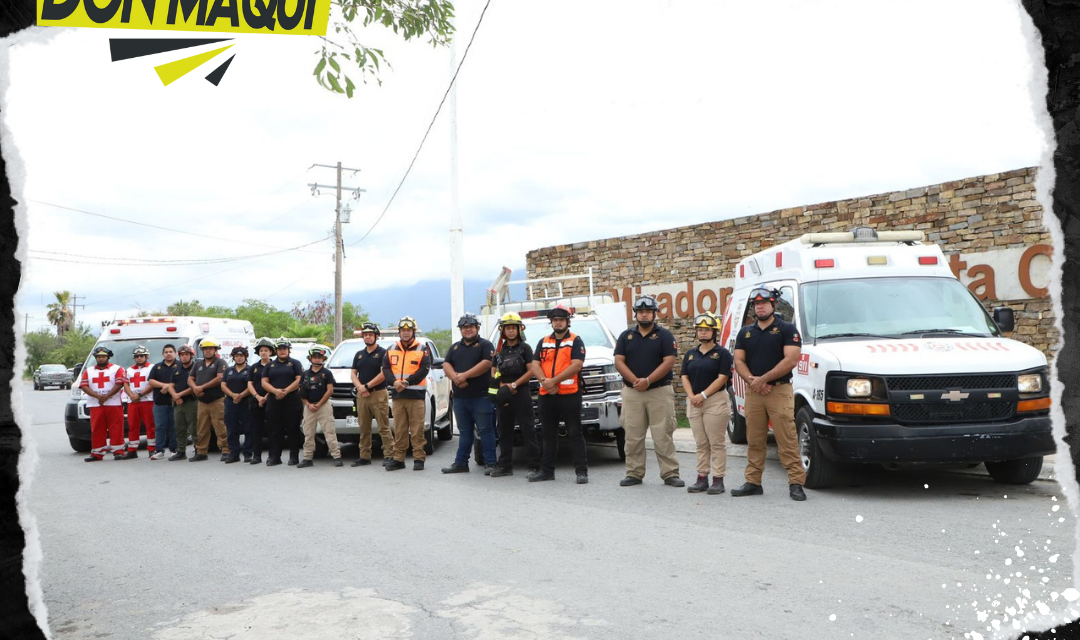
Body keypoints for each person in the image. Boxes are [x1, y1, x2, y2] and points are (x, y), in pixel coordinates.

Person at [731, 287, 807, 501]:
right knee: (754, 439)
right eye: (756, 304)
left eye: (764, 303)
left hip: (779, 390)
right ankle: (753, 482)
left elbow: (791, 360)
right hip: (754, 391)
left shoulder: (787, 330)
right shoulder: (746, 332)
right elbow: (738, 361)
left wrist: (763, 379)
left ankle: (796, 483)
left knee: (787, 439)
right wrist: (754, 382)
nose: (760, 307)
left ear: (773, 305)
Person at [613, 295, 684, 487]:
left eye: (648, 311)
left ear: (654, 314)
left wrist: (648, 380)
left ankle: (670, 474)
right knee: (633, 436)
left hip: (659, 391)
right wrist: (635, 380)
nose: (644, 315)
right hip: (632, 392)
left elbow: (669, 361)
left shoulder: (665, 336)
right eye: (641, 312)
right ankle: (634, 473)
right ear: (636, 314)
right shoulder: (625, 336)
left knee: (663, 434)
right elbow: (618, 360)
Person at [528, 304, 588, 484]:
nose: (558, 323)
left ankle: (581, 472)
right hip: (547, 394)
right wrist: (545, 381)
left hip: (570, 394)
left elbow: (576, 365)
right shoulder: (544, 341)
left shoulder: (576, 340)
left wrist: (553, 381)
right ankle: (547, 471)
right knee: (547, 434)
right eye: (555, 320)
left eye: (561, 320)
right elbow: (535, 364)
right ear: (551, 322)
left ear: (567, 322)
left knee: (575, 432)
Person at [679, 312, 733, 495]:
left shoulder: (722, 353)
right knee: (701, 442)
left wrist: (702, 395)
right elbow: (684, 376)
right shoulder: (690, 354)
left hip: (715, 401)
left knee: (716, 442)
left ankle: (718, 479)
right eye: (700, 330)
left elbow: (722, 378)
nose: (703, 333)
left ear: (714, 332)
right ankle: (702, 478)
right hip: (694, 401)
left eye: (707, 330)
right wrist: (692, 395)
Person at [441, 313, 496, 475]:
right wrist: (456, 379)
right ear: (461, 330)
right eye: (465, 328)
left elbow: (487, 364)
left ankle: (491, 463)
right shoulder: (455, 347)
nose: (468, 330)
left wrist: (464, 376)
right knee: (464, 433)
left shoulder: (486, 345)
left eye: (471, 327)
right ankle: (461, 463)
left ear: (477, 328)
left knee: (485, 431)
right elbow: (446, 364)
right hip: (460, 398)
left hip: (481, 397)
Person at [488, 313, 537, 478]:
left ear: (519, 329)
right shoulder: (499, 351)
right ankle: (505, 466)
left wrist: (514, 385)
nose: (510, 331)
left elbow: (531, 370)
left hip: (521, 393)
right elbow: (493, 370)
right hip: (504, 395)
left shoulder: (525, 348)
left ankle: (534, 466)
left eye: (513, 328)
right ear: (503, 330)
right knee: (504, 432)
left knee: (528, 430)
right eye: (507, 328)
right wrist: (501, 385)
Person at [382, 316, 431, 471]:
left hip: (415, 397)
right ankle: (398, 459)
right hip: (397, 396)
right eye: (403, 330)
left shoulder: (422, 349)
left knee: (417, 430)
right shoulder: (391, 349)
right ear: (399, 332)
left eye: (408, 330)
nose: (405, 333)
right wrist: (394, 383)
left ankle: (418, 459)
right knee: (399, 429)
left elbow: (424, 369)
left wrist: (408, 382)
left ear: (413, 332)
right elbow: (386, 369)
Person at [349, 323, 394, 467]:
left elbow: (383, 374)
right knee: (364, 428)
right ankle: (364, 456)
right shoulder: (359, 354)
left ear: (376, 336)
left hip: (378, 394)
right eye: (365, 335)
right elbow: (353, 373)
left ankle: (389, 454)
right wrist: (360, 387)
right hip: (362, 395)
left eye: (370, 335)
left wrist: (367, 386)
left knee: (383, 427)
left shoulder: (383, 353)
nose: (367, 337)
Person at [79, 346, 127, 461]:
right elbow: (83, 385)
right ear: (95, 358)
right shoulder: (89, 371)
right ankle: (97, 453)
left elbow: (120, 383)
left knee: (116, 427)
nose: (101, 358)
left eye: (103, 356)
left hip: (114, 403)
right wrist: (98, 396)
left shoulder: (117, 369)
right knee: (97, 428)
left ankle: (118, 451)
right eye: (99, 356)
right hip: (95, 404)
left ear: (108, 357)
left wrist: (107, 396)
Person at [262, 337, 304, 466]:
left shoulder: (295, 363)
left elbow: (299, 380)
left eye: (284, 348)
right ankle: (274, 457)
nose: (282, 351)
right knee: (275, 430)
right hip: (274, 401)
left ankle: (294, 457)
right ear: (276, 351)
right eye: (280, 349)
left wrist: (285, 391)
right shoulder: (270, 365)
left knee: (293, 429)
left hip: (292, 400)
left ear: (288, 350)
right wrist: (275, 391)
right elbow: (264, 382)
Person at [298, 345, 342, 468]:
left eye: (320, 357)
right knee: (308, 433)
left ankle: (336, 456)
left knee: (329, 432)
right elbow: (301, 392)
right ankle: (307, 458)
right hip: (309, 407)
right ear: (310, 358)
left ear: (323, 359)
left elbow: (329, 391)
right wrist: (308, 404)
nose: (317, 359)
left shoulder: (327, 373)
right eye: (315, 357)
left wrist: (319, 404)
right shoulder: (305, 374)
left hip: (323, 406)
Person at [190, 338, 229, 462]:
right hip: (202, 402)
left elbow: (220, 378)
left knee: (220, 427)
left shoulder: (220, 362)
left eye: (210, 348)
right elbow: (190, 378)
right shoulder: (198, 364)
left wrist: (202, 387)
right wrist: (195, 387)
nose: (208, 351)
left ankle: (226, 450)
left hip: (217, 401)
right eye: (205, 349)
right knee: (201, 428)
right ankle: (201, 452)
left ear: (215, 350)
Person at [121, 345, 156, 459]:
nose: (139, 358)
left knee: (150, 426)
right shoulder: (129, 370)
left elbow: (152, 384)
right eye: (137, 356)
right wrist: (131, 395)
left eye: (141, 356)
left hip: (148, 400)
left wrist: (140, 395)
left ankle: (152, 449)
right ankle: (132, 450)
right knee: (132, 426)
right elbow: (125, 383)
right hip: (133, 402)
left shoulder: (152, 368)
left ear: (146, 356)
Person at [246, 337, 276, 464]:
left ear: (270, 352)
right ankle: (256, 456)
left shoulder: (274, 366)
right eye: (261, 350)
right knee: (256, 429)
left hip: (271, 400)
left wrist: (266, 397)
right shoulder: (254, 367)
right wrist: (257, 397)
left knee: (272, 429)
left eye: (266, 350)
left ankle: (272, 456)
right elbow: (249, 384)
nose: (263, 352)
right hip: (256, 401)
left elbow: (276, 383)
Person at [147, 344, 179, 460]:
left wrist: (168, 387)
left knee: (174, 427)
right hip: (159, 402)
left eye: (171, 351)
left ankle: (174, 449)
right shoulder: (157, 367)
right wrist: (164, 385)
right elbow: (151, 381)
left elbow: (182, 381)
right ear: (163, 354)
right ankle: (159, 450)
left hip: (175, 402)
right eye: (166, 352)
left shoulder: (179, 365)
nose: (168, 354)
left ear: (175, 353)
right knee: (160, 427)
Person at [222, 346, 253, 464]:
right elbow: (223, 385)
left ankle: (248, 454)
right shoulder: (228, 370)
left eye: (241, 356)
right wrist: (232, 395)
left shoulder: (250, 370)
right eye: (236, 356)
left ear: (245, 357)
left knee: (248, 428)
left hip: (246, 402)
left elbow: (251, 385)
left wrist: (240, 395)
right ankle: (234, 454)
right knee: (231, 429)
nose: (239, 358)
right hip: (231, 402)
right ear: (233, 357)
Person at [168, 344, 198, 461]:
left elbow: (195, 386)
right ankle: (181, 451)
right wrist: (175, 396)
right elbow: (170, 385)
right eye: (182, 355)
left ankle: (198, 450)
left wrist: (179, 395)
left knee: (194, 428)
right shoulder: (176, 369)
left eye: (186, 355)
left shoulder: (195, 368)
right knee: (179, 428)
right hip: (178, 404)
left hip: (191, 402)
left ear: (191, 356)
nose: (184, 357)